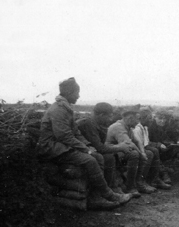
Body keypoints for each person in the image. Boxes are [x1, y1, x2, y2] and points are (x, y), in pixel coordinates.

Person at [36, 78, 132, 210]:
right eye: (77, 92)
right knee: (90, 160)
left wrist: (87, 145)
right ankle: (109, 195)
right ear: (69, 93)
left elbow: (75, 132)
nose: (78, 96)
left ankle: (96, 197)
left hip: (62, 146)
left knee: (97, 156)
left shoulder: (65, 108)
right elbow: (64, 135)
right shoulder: (58, 109)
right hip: (53, 147)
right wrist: (86, 150)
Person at [76, 102, 133, 194]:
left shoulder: (94, 123)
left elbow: (100, 146)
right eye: (109, 116)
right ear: (101, 115)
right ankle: (104, 191)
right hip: (81, 152)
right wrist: (120, 147)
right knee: (107, 157)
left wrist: (118, 147)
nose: (110, 119)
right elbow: (100, 148)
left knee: (110, 156)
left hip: (88, 150)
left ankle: (112, 187)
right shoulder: (88, 123)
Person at [106, 109, 157, 197]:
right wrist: (141, 154)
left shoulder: (128, 127)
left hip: (121, 151)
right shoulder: (118, 127)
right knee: (134, 154)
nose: (138, 122)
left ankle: (139, 182)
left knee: (148, 153)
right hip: (112, 151)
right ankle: (129, 186)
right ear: (130, 119)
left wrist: (143, 152)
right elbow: (129, 144)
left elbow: (137, 141)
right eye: (137, 119)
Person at [133, 107, 172, 190]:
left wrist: (158, 145)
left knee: (154, 150)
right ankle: (142, 181)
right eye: (149, 118)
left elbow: (146, 143)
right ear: (143, 119)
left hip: (143, 148)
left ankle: (155, 179)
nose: (151, 120)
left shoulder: (145, 127)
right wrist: (157, 145)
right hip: (136, 150)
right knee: (150, 153)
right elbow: (139, 144)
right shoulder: (137, 128)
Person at [148, 110, 179, 182]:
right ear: (155, 117)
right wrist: (158, 145)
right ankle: (163, 173)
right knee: (155, 152)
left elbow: (177, 134)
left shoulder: (167, 126)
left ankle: (178, 167)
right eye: (160, 118)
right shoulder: (150, 127)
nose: (162, 121)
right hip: (154, 149)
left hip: (166, 148)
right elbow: (146, 142)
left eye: (164, 119)